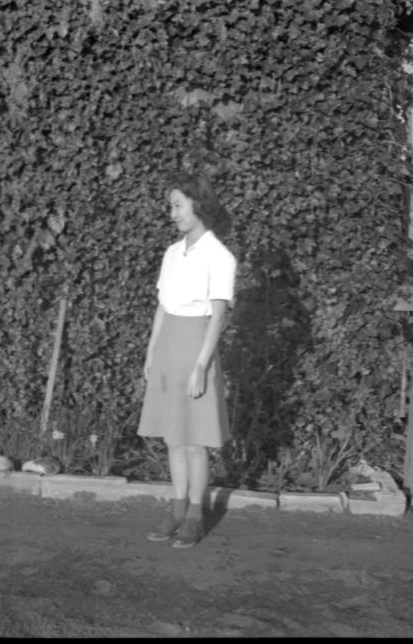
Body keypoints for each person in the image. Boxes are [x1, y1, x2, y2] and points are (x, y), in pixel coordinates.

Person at [137, 171, 237, 549]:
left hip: (197, 348)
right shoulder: (172, 252)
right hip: (167, 349)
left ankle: (196, 514)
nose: (172, 213)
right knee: (173, 438)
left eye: (178, 205)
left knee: (194, 440)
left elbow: (218, 316)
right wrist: (151, 351)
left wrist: (200, 366)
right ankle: (177, 509)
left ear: (199, 205)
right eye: (171, 206)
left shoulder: (219, 256)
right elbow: (163, 307)